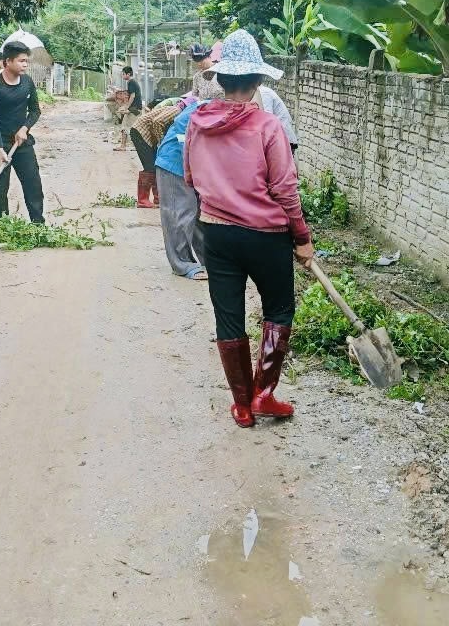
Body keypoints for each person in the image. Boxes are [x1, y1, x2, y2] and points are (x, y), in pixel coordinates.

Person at [184, 29, 314, 429]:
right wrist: (303, 238)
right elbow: (286, 190)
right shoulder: (268, 126)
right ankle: (264, 394)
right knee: (278, 308)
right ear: (258, 82)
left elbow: (190, 179)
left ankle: (241, 405)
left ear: (220, 80)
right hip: (265, 237)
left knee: (228, 315)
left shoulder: (196, 123)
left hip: (217, 234)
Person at [0, 40, 45, 223]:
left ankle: (38, 224)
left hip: (22, 141)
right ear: (7, 61)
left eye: (27, 61)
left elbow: (35, 110)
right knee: (0, 187)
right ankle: (1, 226)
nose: (25, 64)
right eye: (21, 60)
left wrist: (24, 128)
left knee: (33, 183)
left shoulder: (27, 82)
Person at [154, 96, 206, 281]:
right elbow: (185, 142)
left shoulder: (219, 109)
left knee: (201, 216)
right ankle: (182, 264)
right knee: (180, 215)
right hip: (174, 163)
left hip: (196, 167)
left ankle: (208, 261)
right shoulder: (203, 110)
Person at [127, 98, 187, 208]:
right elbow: (157, 121)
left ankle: (158, 198)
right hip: (141, 132)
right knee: (150, 166)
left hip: (147, 135)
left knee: (156, 164)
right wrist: (161, 141)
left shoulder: (179, 113)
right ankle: (143, 200)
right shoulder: (176, 111)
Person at [255, 84, 299, 152]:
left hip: (283, 141)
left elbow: (267, 120)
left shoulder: (263, 93)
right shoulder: (258, 92)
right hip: (277, 139)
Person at [116, 66, 144, 151]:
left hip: (134, 109)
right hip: (136, 109)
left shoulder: (131, 82)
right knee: (134, 127)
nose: (122, 76)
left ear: (128, 74)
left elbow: (133, 95)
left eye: (123, 74)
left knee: (125, 126)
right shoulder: (133, 82)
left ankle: (123, 146)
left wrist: (127, 107)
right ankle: (130, 146)